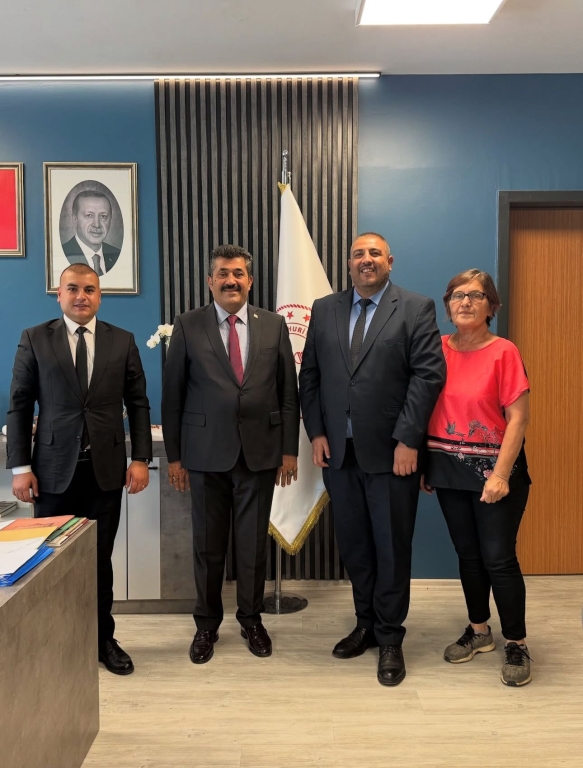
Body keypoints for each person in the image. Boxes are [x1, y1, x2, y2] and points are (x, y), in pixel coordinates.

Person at [299, 232, 445, 686]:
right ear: (349, 263)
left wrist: (408, 440)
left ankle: (391, 637)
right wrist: (316, 432)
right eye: (359, 254)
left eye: (375, 253)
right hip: (339, 455)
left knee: (391, 548)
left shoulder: (415, 308)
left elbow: (427, 376)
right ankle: (365, 624)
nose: (367, 260)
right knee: (356, 547)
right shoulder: (325, 308)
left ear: (390, 261)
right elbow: (310, 376)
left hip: (393, 455)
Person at [6, 263, 152, 675]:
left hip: (105, 472)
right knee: (49, 563)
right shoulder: (35, 338)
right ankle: (53, 643)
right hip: (52, 474)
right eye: (73, 288)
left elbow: (138, 403)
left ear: (100, 295)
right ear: (60, 294)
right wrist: (20, 467)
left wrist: (140, 458)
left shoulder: (121, 340)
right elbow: (20, 404)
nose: (81, 296)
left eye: (89, 289)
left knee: (99, 561)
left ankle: (103, 639)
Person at [161, 244, 300, 664]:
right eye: (222, 273)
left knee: (253, 545)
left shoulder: (273, 325)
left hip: (260, 454)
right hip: (204, 456)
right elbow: (173, 396)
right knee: (208, 546)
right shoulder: (188, 325)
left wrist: (289, 450)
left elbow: (288, 393)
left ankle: (251, 619)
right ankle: (206, 625)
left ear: (250, 281)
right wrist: (174, 457)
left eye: (238, 273)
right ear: (210, 281)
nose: (231, 280)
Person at [421, 269, 532, 687]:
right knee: (467, 555)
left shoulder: (504, 352)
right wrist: (426, 465)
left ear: (491, 306)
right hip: (448, 469)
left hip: (495, 473)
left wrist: (500, 475)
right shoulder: (436, 349)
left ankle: (516, 642)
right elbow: (422, 406)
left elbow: (518, 419)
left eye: (476, 295)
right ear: (448, 305)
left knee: (498, 558)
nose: (465, 302)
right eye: (457, 295)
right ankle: (479, 631)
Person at [62, 190, 121, 274]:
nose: (97, 224)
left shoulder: (118, 255)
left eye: (103, 216)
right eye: (89, 215)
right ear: (75, 219)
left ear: (110, 220)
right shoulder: (62, 254)